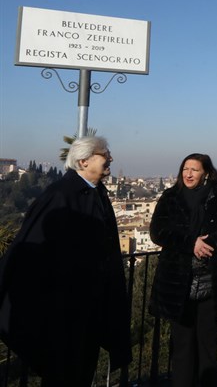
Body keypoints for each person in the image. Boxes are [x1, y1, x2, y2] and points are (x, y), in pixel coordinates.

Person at [0, 136, 131, 386]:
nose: (110, 158)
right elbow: (32, 254)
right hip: (64, 310)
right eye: (105, 154)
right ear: (83, 161)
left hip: (89, 308)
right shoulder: (60, 195)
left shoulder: (96, 194)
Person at [149, 153, 217, 386]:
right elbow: (157, 231)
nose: (188, 174)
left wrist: (211, 242)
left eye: (194, 170)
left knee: (208, 338)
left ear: (206, 173)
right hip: (179, 278)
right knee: (181, 341)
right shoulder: (170, 197)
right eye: (185, 169)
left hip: (212, 276)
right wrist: (192, 243)